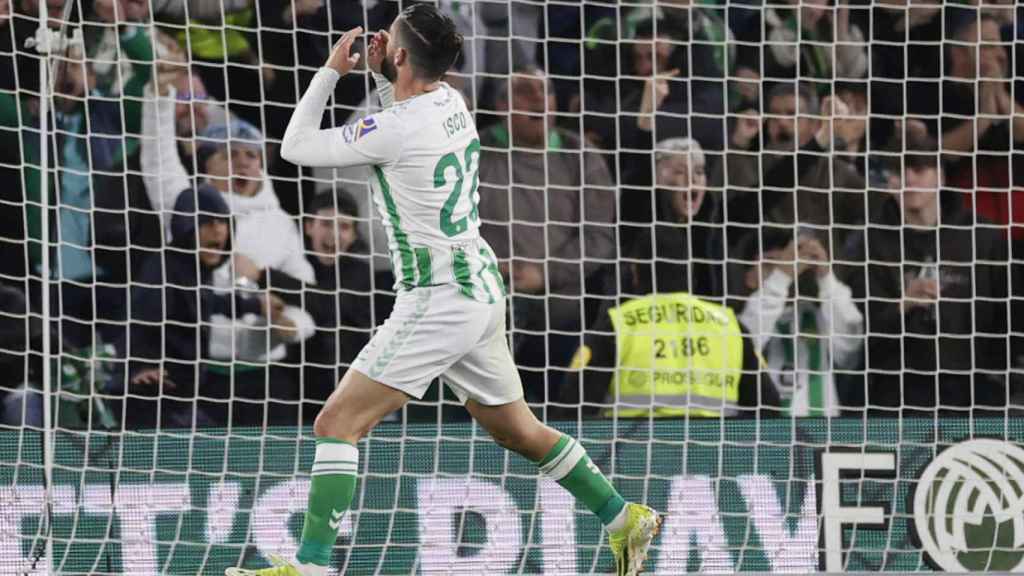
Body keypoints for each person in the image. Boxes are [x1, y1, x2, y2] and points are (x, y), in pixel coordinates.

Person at [228, 7, 661, 576]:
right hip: (479, 285)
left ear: (401, 55)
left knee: (337, 424)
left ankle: (309, 566)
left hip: (437, 296)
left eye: (393, 43)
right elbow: (402, 109)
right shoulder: (452, 101)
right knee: (520, 430)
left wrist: (333, 71)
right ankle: (622, 516)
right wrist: (386, 74)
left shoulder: (397, 125)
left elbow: (295, 146)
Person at [477, 67, 617, 403]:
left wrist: (544, 274)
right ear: (501, 105)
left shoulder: (580, 155)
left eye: (547, 92)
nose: (539, 100)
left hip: (563, 321)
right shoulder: (474, 152)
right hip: (486, 317)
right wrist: (491, 265)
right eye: (526, 92)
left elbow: (599, 236)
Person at [843, 139, 1010, 414]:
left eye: (919, 169)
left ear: (941, 176)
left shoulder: (982, 235)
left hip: (974, 390)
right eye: (898, 170)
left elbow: (1006, 313)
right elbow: (857, 329)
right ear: (888, 182)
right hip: (896, 391)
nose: (908, 178)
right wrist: (903, 305)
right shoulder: (868, 241)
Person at [116, 184, 282, 429]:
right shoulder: (163, 267)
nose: (218, 231)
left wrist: (253, 305)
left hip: (183, 397)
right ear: (187, 227)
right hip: (155, 397)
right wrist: (141, 364)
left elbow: (205, 301)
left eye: (222, 222)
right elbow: (140, 317)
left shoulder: (195, 271)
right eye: (207, 222)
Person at [735, 230, 864, 417]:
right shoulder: (735, 320)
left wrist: (826, 278)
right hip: (764, 436)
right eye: (772, 265)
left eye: (791, 263)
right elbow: (748, 341)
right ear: (749, 276)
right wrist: (781, 277)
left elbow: (851, 350)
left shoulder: (818, 315)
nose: (787, 272)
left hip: (823, 436)